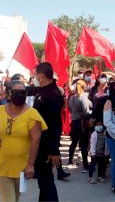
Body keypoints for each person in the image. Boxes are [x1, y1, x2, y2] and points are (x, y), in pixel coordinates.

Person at [0, 80, 47, 202]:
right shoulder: (0, 110)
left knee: (15, 199)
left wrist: (31, 165)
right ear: (8, 94)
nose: (20, 95)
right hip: (1, 164)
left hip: (21, 166)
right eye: (16, 92)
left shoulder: (32, 114)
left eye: (23, 92)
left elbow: (35, 140)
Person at [30, 62, 64, 201]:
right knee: (43, 181)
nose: (34, 77)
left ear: (41, 76)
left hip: (46, 145)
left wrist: (54, 149)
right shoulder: (43, 91)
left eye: (35, 74)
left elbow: (56, 124)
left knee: (46, 181)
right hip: (39, 142)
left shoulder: (52, 94)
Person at [68, 79, 92, 172]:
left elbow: (70, 109)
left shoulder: (72, 97)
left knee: (74, 142)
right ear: (84, 87)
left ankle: (70, 160)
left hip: (74, 122)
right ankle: (85, 165)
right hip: (81, 123)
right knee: (83, 144)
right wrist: (92, 112)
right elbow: (86, 112)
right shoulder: (83, 98)